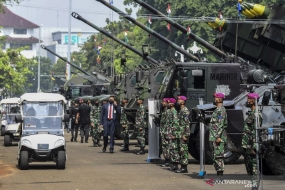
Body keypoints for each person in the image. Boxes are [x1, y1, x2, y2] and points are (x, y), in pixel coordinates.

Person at [242, 93, 262, 190]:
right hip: (247, 145)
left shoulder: (257, 115)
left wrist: (254, 146)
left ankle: (255, 187)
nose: (247, 100)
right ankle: (253, 186)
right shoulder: (251, 113)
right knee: (249, 167)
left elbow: (256, 131)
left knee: (254, 168)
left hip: (251, 146)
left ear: (253, 101)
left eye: (249, 99)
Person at [209, 92, 227, 176]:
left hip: (218, 137)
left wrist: (218, 136)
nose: (214, 99)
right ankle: (218, 173)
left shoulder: (221, 110)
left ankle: (220, 174)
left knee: (218, 156)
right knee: (216, 155)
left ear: (220, 99)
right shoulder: (217, 109)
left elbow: (221, 124)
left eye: (216, 98)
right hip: (214, 136)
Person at [175, 96, 190, 173]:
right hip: (180, 134)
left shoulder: (185, 111)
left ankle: (184, 167)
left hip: (183, 134)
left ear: (183, 101)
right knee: (180, 150)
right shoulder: (180, 111)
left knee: (184, 151)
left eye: (180, 100)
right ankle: (182, 166)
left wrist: (186, 135)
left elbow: (187, 124)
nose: (178, 101)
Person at [165, 98, 180, 171]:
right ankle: (173, 163)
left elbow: (176, 123)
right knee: (171, 148)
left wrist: (174, 134)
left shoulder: (174, 112)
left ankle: (175, 164)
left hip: (172, 134)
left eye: (169, 103)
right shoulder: (170, 111)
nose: (167, 104)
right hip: (169, 133)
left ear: (172, 104)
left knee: (174, 149)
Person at [160, 98, 171, 167]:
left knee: (168, 146)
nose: (162, 103)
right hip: (164, 131)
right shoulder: (164, 111)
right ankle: (166, 160)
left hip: (167, 131)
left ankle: (168, 161)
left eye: (164, 102)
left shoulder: (168, 111)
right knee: (164, 146)